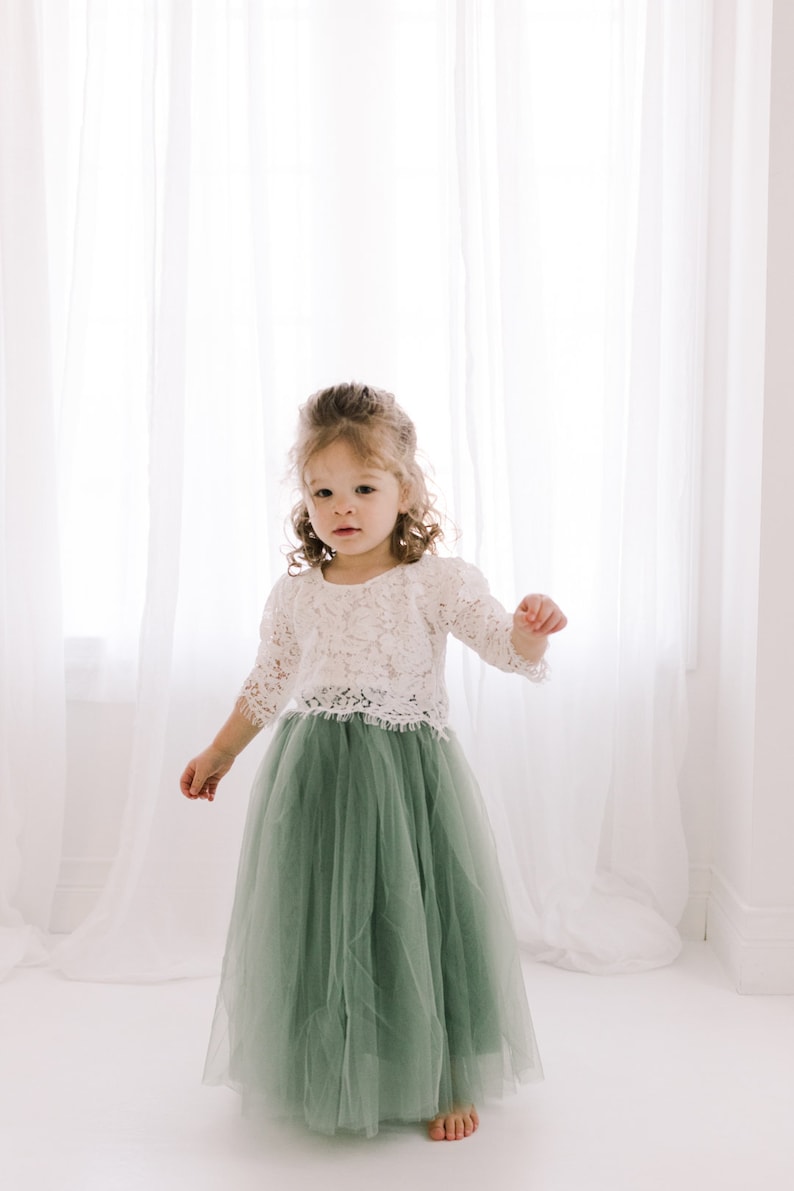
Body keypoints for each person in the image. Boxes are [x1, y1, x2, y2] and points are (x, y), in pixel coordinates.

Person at [180, 382, 567, 1143]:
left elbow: (504, 648)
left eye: (363, 486)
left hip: (407, 781)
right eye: (322, 490)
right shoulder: (296, 595)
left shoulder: (435, 583)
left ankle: (444, 1070)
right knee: (322, 920)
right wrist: (219, 751)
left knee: (417, 918)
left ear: (406, 489)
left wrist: (532, 630)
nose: (342, 506)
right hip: (315, 778)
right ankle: (325, 1050)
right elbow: (267, 685)